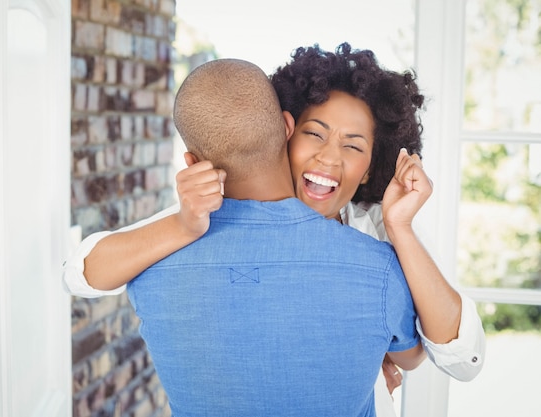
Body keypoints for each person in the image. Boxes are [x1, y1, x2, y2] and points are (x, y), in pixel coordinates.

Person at [63, 44, 485, 415]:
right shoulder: (195, 218)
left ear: (374, 164)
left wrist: (400, 230)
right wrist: (184, 225)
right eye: (314, 134)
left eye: (353, 145)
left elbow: (462, 359)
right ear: (286, 132)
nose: (328, 158)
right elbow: (80, 273)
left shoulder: (384, 235)